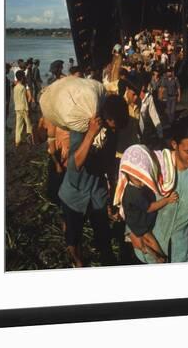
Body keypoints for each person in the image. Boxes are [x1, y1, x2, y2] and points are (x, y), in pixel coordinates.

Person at [130, 115, 188, 263]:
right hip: (150, 247)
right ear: (174, 145)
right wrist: (131, 233)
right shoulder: (157, 167)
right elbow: (132, 202)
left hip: (181, 252)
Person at [58, 95, 129, 267]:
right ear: (109, 118)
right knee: (73, 238)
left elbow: (109, 163)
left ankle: (107, 261)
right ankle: (78, 262)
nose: (116, 129)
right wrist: (90, 134)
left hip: (97, 193)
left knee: (103, 235)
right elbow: (74, 164)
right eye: (115, 124)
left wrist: (113, 190)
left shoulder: (112, 133)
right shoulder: (82, 128)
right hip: (75, 194)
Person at [116, 151, 179, 263]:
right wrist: (167, 200)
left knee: (146, 239)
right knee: (150, 238)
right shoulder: (134, 194)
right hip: (138, 222)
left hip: (134, 218)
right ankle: (161, 257)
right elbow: (150, 207)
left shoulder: (131, 186)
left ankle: (148, 250)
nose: (142, 182)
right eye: (138, 180)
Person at [13, 70, 33, 147]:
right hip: (23, 108)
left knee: (18, 125)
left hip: (17, 108)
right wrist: (27, 109)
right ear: (22, 78)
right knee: (28, 124)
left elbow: (15, 98)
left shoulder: (15, 87)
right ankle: (30, 138)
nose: (25, 78)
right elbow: (24, 100)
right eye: (24, 76)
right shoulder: (22, 87)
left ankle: (17, 141)